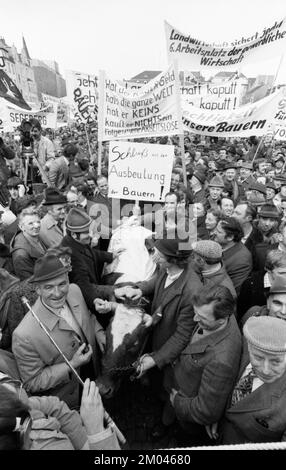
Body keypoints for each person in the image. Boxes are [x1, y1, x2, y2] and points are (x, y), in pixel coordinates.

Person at [12, 253, 104, 409]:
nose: (57, 293)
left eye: (62, 284)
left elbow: (88, 316)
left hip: (93, 370)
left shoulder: (74, 290)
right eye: (48, 287)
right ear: (37, 289)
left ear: (69, 279)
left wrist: (99, 332)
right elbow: (32, 382)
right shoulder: (23, 335)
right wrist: (72, 365)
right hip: (70, 396)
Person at [169, 286, 241, 446]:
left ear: (222, 320)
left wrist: (177, 402)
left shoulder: (221, 361)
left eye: (202, 317)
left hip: (189, 417)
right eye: (195, 312)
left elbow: (206, 412)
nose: (195, 319)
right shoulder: (223, 316)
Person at [214, 316, 286, 444]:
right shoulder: (242, 349)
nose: (265, 370)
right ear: (249, 347)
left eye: (276, 362)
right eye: (258, 358)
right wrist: (215, 415)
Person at [0, 377, 120, 450]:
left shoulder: (19, 408)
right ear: (22, 428)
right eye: (17, 389)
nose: (21, 391)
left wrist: (83, 442)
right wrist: (96, 431)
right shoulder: (18, 407)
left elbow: (54, 406)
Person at [214, 217, 252, 295]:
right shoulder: (215, 241)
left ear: (230, 237)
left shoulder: (242, 260)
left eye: (218, 232)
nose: (214, 232)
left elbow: (231, 293)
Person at [10, 209, 48, 280]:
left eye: (38, 222)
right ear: (21, 227)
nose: (37, 226)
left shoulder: (34, 235)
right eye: (31, 223)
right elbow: (28, 282)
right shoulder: (20, 254)